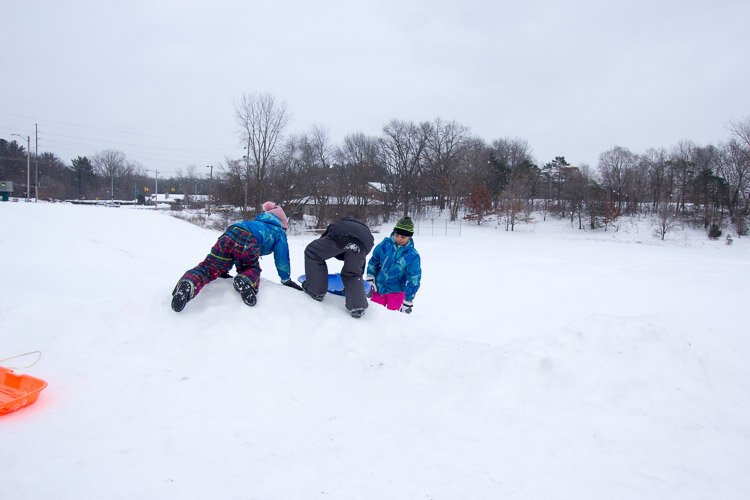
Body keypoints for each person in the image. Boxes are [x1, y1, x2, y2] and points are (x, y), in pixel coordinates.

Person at [170, 201, 303, 312]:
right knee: (251, 268)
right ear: (282, 223)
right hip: (249, 241)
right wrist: (286, 279)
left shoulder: (256, 222)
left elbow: (234, 246)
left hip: (231, 232)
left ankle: (188, 283)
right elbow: (282, 257)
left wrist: (221, 268)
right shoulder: (278, 232)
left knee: (209, 267)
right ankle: (245, 281)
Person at [302, 216, 374, 318]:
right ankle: (357, 305)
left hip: (340, 236)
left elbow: (323, 243)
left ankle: (316, 290)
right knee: (353, 273)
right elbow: (360, 266)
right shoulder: (364, 231)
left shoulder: (338, 224)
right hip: (363, 244)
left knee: (313, 252)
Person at [366, 216, 421, 314]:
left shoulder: (412, 255)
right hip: (378, 289)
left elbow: (413, 278)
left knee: (392, 321)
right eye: (397, 235)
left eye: (403, 237)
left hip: (397, 293)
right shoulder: (385, 245)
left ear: (409, 237)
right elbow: (374, 261)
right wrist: (370, 277)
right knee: (372, 316)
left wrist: (408, 300)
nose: (399, 239)